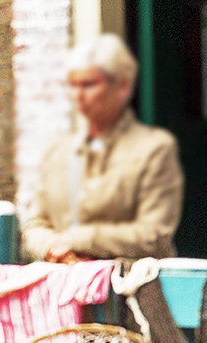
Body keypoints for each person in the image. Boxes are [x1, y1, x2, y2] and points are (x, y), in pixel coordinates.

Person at [22, 33, 184, 262]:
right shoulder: (58, 151)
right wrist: (55, 249)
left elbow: (154, 234)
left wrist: (78, 240)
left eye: (88, 84)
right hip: (64, 279)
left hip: (128, 280)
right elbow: (34, 225)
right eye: (73, 85)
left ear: (122, 86)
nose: (78, 95)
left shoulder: (154, 149)